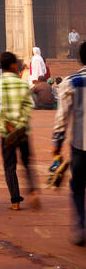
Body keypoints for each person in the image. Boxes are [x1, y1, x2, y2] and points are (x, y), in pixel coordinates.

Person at [0, 51, 40, 212]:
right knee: (27, 164)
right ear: (12, 65)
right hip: (23, 131)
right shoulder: (23, 84)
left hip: (6, 133)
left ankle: (15, 202)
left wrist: (9, 125)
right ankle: (33, 191)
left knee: (9, 166)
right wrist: (21, 124)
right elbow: (28, 107)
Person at [52, 42, 86, 245]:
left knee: (78, 185)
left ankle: (82, 224)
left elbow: (62, 117)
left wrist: (57, 142)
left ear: (80, 58)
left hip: (81, 146)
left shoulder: (72, 81)